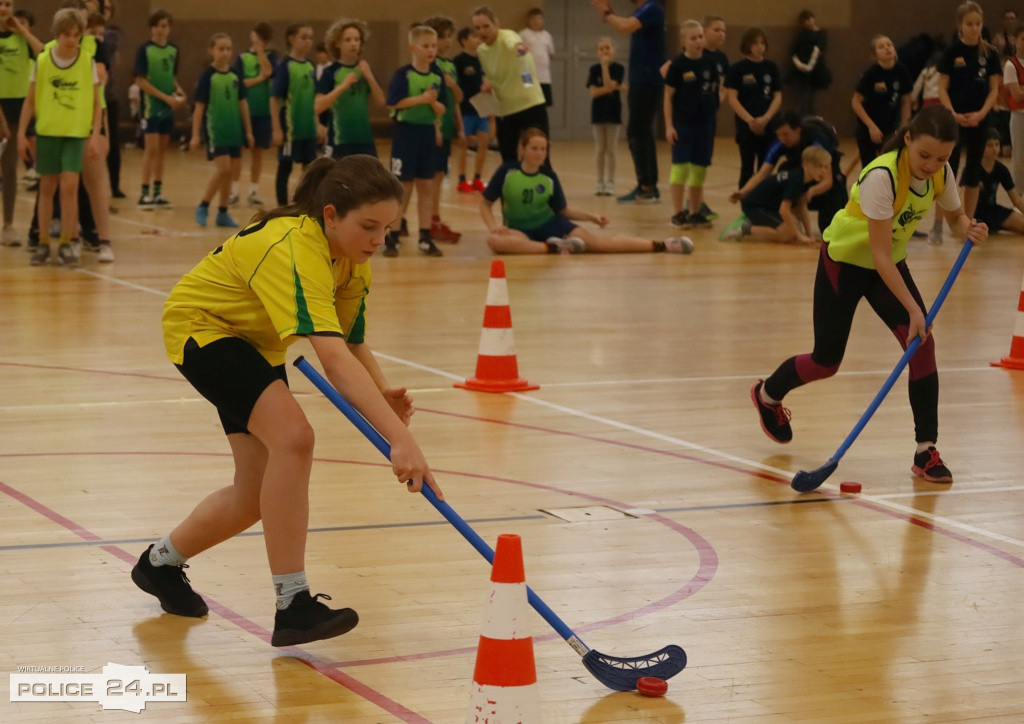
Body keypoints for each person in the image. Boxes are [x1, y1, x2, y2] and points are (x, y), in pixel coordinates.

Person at [134, 154, 444, 645]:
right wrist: (400, 438)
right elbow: (332, 360)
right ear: (330, 215)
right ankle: (293, 604)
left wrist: (382, 392)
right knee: (295, 438)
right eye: (368, 226)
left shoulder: (352, 260)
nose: (378, 240)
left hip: (254, 344)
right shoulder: (293, 246)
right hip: (204, 329)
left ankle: (159, 565)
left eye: (388, 228)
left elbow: (350, 344)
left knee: (254, 495)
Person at [751, 105, 988, 484]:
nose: (931, 165)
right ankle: (767, 395)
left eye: (942, 158)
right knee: (826, 361)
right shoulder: (882, 176)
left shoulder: (941, 173)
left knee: (922, 345)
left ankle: (925, 450)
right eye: (925, 155)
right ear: (908, 139)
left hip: (886, 266)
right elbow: (877, 253)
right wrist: (914, 309)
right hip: (845, 262)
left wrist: (969, 226)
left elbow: (956, 218)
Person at [480, 128, 693, 255]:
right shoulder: (507, 172)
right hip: (520, 230)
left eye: (543, 149)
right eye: (534, 148)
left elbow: (563, 210)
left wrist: (592, 217)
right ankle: (554, 248)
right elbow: (485, 204)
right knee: (495, 241)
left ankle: (663, 245)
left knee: (600, 244)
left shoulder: (549, 177)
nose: (539, 153)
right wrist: (493, 226)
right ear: (522, 149)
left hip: (550, 224)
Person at [17, 8, 102, 266]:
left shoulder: (87, 62)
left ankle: (67, 242)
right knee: (47, 188)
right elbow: (30, 101)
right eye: (67, 35)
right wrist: (21, 134)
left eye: (77, 35)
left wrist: (95, 135)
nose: (72, 40)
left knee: (70, 186)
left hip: (75, 134)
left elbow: (98, 103)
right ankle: (43, 242)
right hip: (47, 133)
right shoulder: (43, 60)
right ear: (57, 33)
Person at [936, 1, 1001, 241]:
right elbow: (942, 88)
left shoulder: (990, 53)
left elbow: (994, 89)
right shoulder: (951, 52)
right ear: (960, 25)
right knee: (947, 169)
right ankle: (938, 225)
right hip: (954, 119)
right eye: (969, 24)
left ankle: (967, 225)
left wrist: (982, 114)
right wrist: (952, 113)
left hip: (979, 119)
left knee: (974, 169)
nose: (974, 28)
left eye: (978, 23)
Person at [592, 0, 666, 204]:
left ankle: (647, 187)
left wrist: (607, 13)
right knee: (641, 132)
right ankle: (648, 185)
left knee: (637, 132)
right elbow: (621, 25)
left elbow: (624, 26)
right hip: (641, 80)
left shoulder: (653, 8)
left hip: (647, 80)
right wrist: (609, 14)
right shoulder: (642, 11)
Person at [383, 24, 446, 258]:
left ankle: (425, 236)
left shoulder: (437, 75)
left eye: (433, 46)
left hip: (426, 134)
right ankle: (393, 235)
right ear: (413, 47)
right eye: (426, 45)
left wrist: (432, 103)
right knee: (402, 187)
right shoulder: (403, 74)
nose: (431, 50)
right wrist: (421, 99)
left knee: (427, 186)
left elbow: (442, 107)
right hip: (405, 133)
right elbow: (393, 103)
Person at [472, 6, 549, 166]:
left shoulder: (507, 36)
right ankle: (512, 190)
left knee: (540, 158)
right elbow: (492, 76)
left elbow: (514, 45)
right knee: (508, 159)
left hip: (530, 105)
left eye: (486, 26)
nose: (482, 31)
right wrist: (487, 84)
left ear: (496, 24)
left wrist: (519, 49)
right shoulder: (482, 51)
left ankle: (548, 190)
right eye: (477, 28)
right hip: (505, 110)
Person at [190, 33, 253, 229]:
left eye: (228, 49)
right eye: (221, 48)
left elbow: (243, 104)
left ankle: (223, 212)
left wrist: (248, 131)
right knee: (223, 169)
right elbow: (199, 107)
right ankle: (203, 205)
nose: (225, 53)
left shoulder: (235, 75)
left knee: (232, 172)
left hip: (234, 130)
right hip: (216, 131)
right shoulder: (207, 77)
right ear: (212, 51)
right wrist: (194, 135)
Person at [663, 20, 720, 230]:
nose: (698, 41)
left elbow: (715, 90)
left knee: (699, 169)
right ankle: (678, 213)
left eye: (700, 37)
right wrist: (669, 126)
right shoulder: (677, 65)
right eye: (693, 37)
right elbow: (668, 96)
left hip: (704, 126)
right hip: (683, 125)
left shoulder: (710, 64)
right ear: (684, 41)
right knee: (680, 168)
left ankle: (695, 213)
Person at [719, 145, 831, 244]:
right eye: (819, 167)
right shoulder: (796, 180)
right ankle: (744, 228)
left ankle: (754, 225)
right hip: (755, 207)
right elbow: (784, 210)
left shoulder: (805, 180)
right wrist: (799, 236)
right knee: (789, 234)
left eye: (825, 167)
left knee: (794, 230)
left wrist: (809, 236)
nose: (823, 171)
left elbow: (801, 206)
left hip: (770, 208)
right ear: (806, 164)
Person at [0, 0, 43, 247]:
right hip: (0, 107)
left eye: (8, 4)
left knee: (9, 168)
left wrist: (23, 31)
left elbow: (43, 53)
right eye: (0, 4)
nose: (4, 8)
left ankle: (7, 225)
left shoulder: (20, 38)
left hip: (17, 105)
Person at [133, 8, 183, 208]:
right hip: (151, 107)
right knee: (151, 149)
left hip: (167, 107)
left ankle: (158, 191)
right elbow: (140, 80)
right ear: (152, 28)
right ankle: (144, 192)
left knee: (162, 150)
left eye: (166, 26)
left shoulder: (174, 50)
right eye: (159, 26)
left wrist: (180, 92)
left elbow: (171, 77)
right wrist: (165, 98)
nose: (163, 30)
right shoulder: (144, 50)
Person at [315, 19, 385, 161]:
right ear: (337, 44)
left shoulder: (365, 69)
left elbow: (381, 102)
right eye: (348, 40)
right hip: (339, 141)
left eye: (357, 39)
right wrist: (342, 86)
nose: (353, 43)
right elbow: (317, 106)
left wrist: (370, 77)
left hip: (364, 140)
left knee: (369, 181)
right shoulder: (330, 72)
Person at [422, 14, 464, 244]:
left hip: (447, 129)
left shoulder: (450, 65)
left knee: (438, 176)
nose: (448, 42)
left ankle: (433, 220)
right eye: (444, 37)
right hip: (432, 129)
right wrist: (436, 127)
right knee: (429, 179)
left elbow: (457, 97)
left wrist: (459, 127)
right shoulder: (430, 65)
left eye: (450, 37)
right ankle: (429, 222)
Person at [725, 27, 782, 191]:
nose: (760, 47)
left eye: (763, 43)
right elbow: (732, 98)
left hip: (768, 124)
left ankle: (763, 206)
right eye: (756, 43)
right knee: (747, 167)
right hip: (746, 125)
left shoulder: (771, 67)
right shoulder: (737, 69)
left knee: (765, 167)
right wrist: (750, 120)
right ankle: (746, 207)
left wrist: (766, 118)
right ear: (747, 45)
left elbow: (778, 96)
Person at [271, 23, 318, 207]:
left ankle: (306, 205)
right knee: (285, 167)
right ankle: (282, 208)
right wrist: (276, 129)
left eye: (310, 38)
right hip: (290, 129)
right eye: (304, 37)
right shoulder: (285, 66)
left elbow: (315, 98)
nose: (308, 42)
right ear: (291, 39)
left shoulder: (310, 66)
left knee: (310, 170)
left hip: (308, 129)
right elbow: (274, 99)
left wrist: (317, 123)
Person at [231, 22, 276, 207]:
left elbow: (269, 72)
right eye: (258, 37)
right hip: (244, 113)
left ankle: (253, 191)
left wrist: (260, 53)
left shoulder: (272, 56)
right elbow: (239, 83)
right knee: (238, 153)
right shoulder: (241, 58)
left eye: (263, 39)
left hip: (263, 112)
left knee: (258, 152)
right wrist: (258, 79)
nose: (259, 41)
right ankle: (234, 192)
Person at [851, 35, 913, 169]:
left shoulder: (901, 71)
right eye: (881, 47)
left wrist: (904, 126)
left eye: (889, 45)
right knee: (869, 170)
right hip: (868, 130)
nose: (887, 48)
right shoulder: (871, 74)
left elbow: (906, 100)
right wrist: (870, 126)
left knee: (892, 167)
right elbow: (856, 102)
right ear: (875, 55)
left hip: (891, 128)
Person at [453, 26, 490, 193]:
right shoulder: (458, 61)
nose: (478, 39)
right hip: (466, 108)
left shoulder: (483, 59)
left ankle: (477, 178)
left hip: (481, 109)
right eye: (473, 36)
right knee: (464, 144)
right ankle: (462, 178)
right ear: (464, 41)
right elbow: (457, 88)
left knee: (484, 142)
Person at [587, 37, 624, 196]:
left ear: (613, 50)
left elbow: (609, 86)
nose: (604, 51)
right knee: (600, 149)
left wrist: (605, 68)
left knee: (611, 149)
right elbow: (593, 93)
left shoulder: (618, 68)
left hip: (613, 112)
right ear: (597, 52)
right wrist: (610, 88)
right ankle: (599, 181)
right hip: (598, 113)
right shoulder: (593, 69)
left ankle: (610, 182)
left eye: (607, 48)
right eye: (601, 49)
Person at [974, 127, 1024, 235]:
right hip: (975, 214)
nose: (995, 149)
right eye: (990, 145)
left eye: (997, 144)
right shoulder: (972, 169)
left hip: (993, 211)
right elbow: (964, 197)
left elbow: (1016, 199)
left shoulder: (1002, 169)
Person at [787, 9, 830, 116]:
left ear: (813, 18)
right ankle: (801, 122)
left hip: (815, 71)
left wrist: (810, 65)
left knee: (812, 100)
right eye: (804, 20)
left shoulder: (821, 33)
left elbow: (818, 49)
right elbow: (793, 51)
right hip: (800, 72)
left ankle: (811, 122)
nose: (808, 22)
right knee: (802, 99)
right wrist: (800, 65)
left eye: (809, 19)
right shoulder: (800, 35)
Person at [1002, 23, 1024, 186]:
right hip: (1019, 116)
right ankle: (1019, 194)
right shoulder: (1011, 65)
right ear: (1014, 40)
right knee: (1019, 157)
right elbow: (1017, 95)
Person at [519, 7, 554, 107]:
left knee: (543, 103)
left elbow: (551, 54)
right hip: (527, 73)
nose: (536, 21)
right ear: (528, 20)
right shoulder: (523, 34)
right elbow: (518, 53)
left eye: (539, 19)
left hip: (544, 75)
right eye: (533, 19)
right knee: (529, 101)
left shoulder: (547, 35)